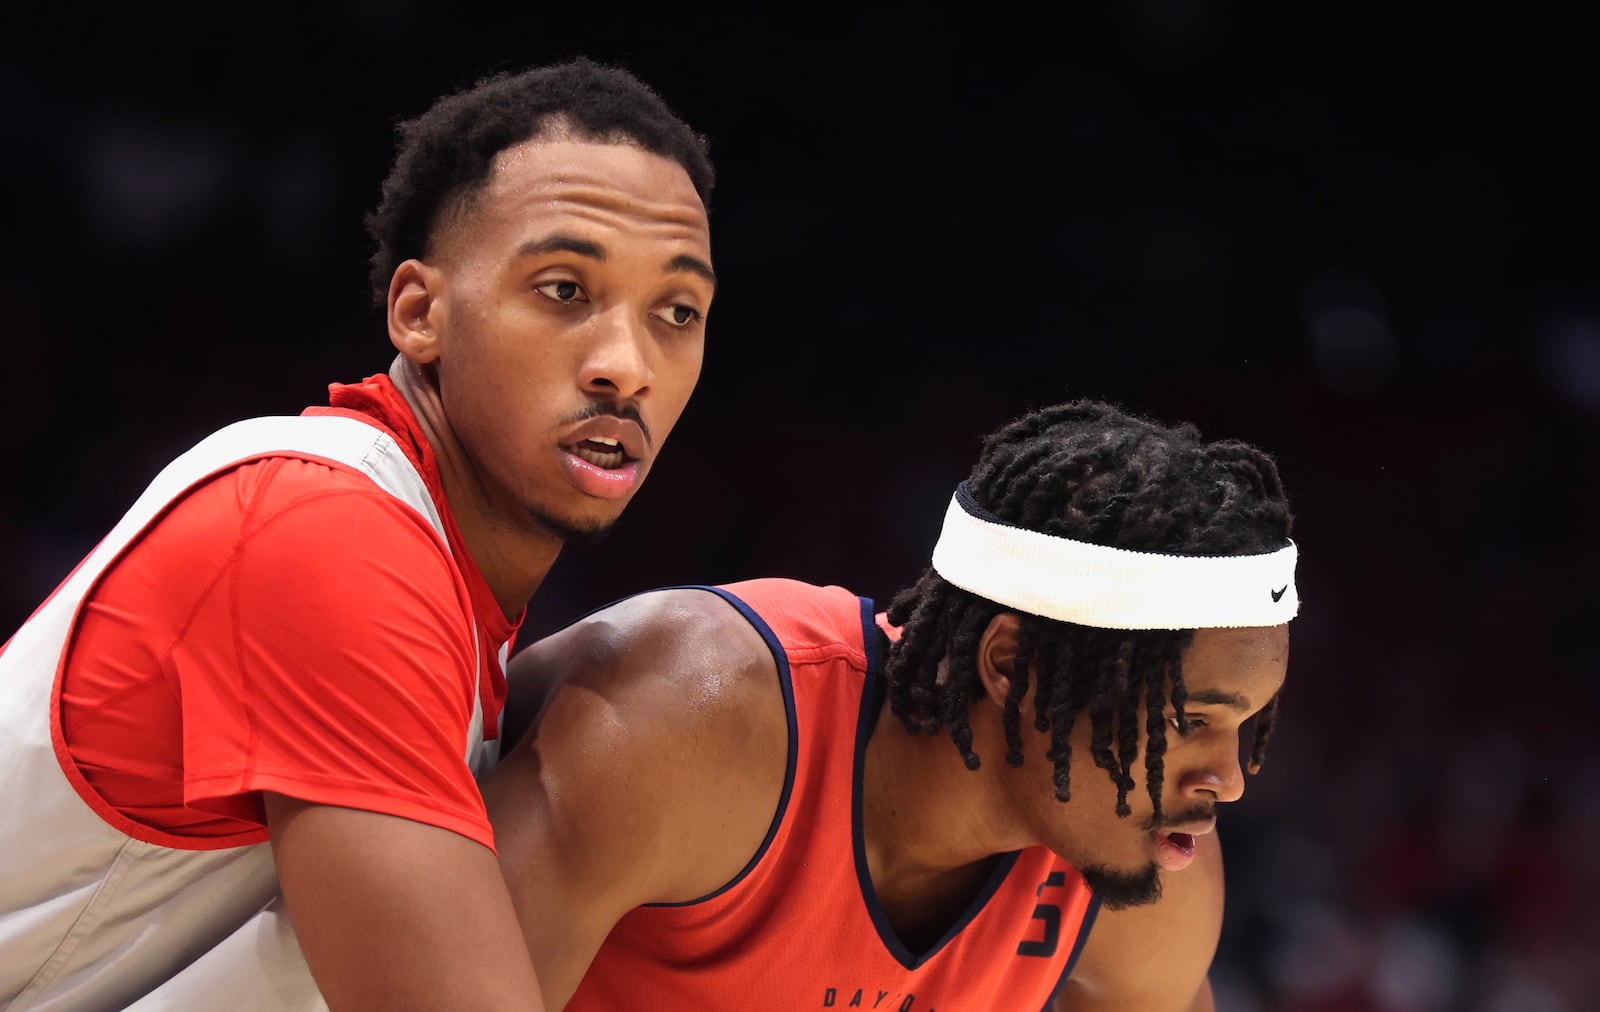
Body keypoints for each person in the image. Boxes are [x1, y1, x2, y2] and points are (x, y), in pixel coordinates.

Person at [0, 58, 715, 1011]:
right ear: (419, 314)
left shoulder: (445, 580)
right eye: (563, 290)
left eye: (676, 312)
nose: (626, 369)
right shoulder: (329, 536)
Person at [482, 399, 1299, 1010]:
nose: (1228, 780)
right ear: (1012, 665)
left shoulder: (1142, 877)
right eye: (1192, 721)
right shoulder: (689, 716)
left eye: (1249, 725)